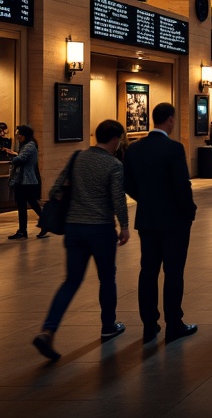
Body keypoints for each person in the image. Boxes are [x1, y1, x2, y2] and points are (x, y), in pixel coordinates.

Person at [32, 120, 130, 360]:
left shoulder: (77, 157)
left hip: (74, 229)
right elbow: (118, 199)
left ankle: (48, 330)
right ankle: (108, 326)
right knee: (107, 278)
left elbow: (55, 189)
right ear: (116, 139)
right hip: (100, 229)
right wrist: (124, 226)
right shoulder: (114, 164)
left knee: (71, 281)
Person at [123, 102, 198, 343]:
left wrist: (144, 199)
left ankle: (149, 325)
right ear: (171, 120)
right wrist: (189, 211)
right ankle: (174, 324)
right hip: (174, 221)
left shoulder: (134, 149)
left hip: (147, 219)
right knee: (173, 272)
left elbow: (127, 183)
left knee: (148, 272)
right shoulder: (174, 148)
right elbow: (181, 185)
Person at [3, 124, 44, 239]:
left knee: (27, 203)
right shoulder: (27, 145)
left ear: (25, 134)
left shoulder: (29, 145)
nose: (17, 136)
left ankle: (43, 223)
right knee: (26, 204)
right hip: (24, 180)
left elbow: (21, 158)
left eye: (19, 134)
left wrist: (11, 157)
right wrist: (15, 154)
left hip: (26, 181)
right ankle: (23, 230)